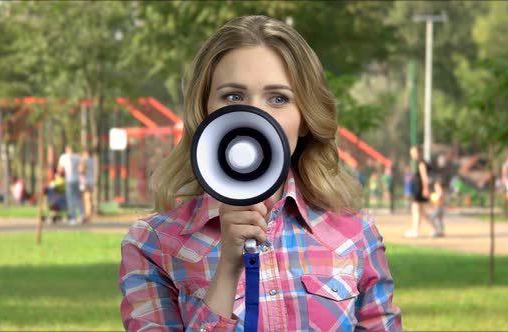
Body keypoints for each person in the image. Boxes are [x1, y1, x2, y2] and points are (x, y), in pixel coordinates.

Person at [119, 15, 401, 331]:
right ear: (205, 109)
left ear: (305, 117)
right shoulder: (154, 244)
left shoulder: (355, 236)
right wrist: (227, 268)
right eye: (233, 96)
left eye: (278, 98)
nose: (254, 116)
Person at [406, 146, 430, 238]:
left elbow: (424, 177)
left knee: (416, 209)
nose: (411, 154)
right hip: (419, 189)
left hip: (420, 189)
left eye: (413, 152)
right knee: (420, 210)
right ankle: (435, 226)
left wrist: (425, 189)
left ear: (418, 153)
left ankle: (416, 230)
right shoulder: (420, 163)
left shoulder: (422, 163)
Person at [57, 145, 84, 225]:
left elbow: (60, 169)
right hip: (76, 179)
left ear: (67, 150)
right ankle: (82, 215)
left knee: (70, 199)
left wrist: (58, 174)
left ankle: (73, 218)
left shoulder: (64, 157)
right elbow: (81, 168)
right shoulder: (77, 156)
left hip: (69, 179)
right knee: (77, 197)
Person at [79, 148, 94, 223]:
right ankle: (89, 215)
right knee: (89, 199)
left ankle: (86, 215)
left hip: (85, 181)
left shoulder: (84, 160)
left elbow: (81, 170)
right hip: (91, 181)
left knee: (86, 199)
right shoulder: (92, 160)